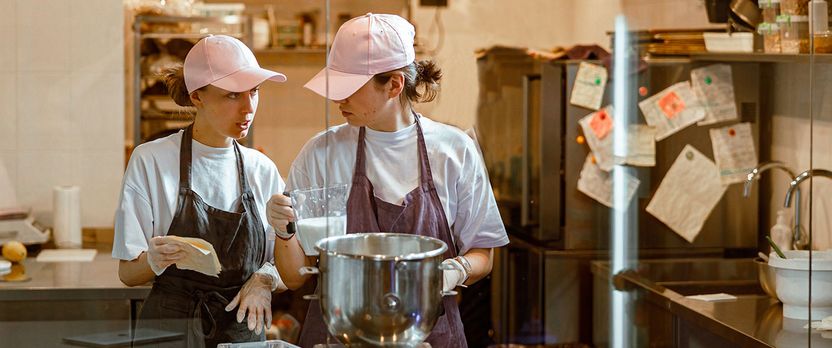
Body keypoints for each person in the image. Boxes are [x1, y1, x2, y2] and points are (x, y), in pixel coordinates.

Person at [266, 14, 509, 347]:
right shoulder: (321, 153)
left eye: (349, 88)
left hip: (428, 334)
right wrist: (284, 230)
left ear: (394, 85)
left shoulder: (454, 151)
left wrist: (456, 269)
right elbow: (295, 276)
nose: (338, 99)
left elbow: (484, 251)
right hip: (339, 336)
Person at [113, 35, 289, 347]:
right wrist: (155, 259)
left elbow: (283, 261)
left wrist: (264, 279)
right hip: (169, 330)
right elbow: (128, 273)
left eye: (255, 92)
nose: (248, 107)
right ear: (197, 97)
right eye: (232, 95)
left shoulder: (261, 169)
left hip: (242, 332)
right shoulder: (151, 160)